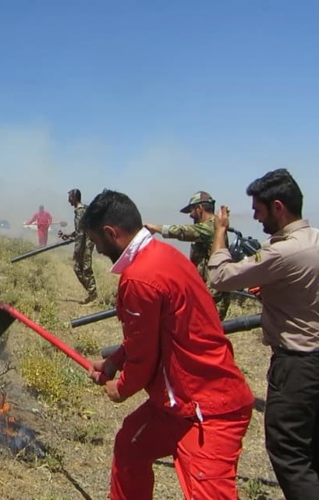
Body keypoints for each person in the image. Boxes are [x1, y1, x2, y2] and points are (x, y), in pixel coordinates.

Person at [81, 189, 255, 500]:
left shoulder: (139, 278)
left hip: (206, 407)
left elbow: (144, 357)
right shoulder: (163, 255)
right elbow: (148, 336)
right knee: (130, 447)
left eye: (96, 242)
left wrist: (121, 388)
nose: (96, 249)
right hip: (177, 404)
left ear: (111, 233)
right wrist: (113, 361)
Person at [206, 168, 319, 499]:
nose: (256, 217)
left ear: (279, 207)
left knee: (290, 455)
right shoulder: (313, 241)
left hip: (298, 366)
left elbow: (221, 276)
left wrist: (220, 233)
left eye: (259, 209)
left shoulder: (283, 252)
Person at [144, 191, 231, 320]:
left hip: (214, 296)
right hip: (205, 293)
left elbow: (183, 232)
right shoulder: (209, 227)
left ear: (199, 208)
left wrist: (156, 228)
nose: (191, 215)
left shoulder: (212, 226)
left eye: (191, 211)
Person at [58, 189, 97, 304]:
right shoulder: (84, 208)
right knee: (81, 267)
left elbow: (80, 233)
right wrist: (69, 235)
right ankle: (92, 292)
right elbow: (80, 229)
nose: (68, 199)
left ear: (74, 198)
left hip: (87, 242)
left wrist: (77, 250)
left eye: (70, 197)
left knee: (83, 267)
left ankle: (93, 294)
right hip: (88, 240)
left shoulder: (79, 211)